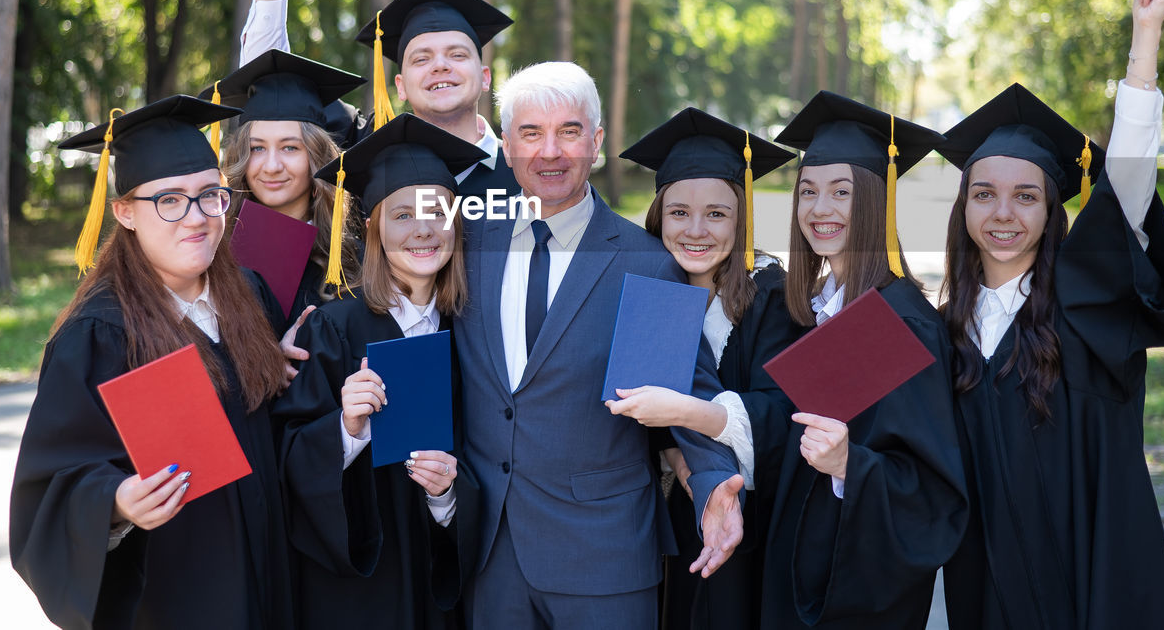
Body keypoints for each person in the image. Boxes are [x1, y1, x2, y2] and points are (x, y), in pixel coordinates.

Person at [936, 0, 1164, 630]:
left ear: (1053, 211)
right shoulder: (943, 332)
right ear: (963, 207)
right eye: (983, 194)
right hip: (983, 589)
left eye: (1027, 197)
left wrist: (1146, 38)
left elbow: (1128, 191)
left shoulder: (1085, 309)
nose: (1003, 214)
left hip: (1087, 585)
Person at [453, 61, 745, 629]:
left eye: (569, 131)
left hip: (603, 555)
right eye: (531, 133)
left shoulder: (646, 261)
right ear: (506, 145)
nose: (550, 152)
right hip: (492, 550)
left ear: (598, 142)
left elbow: (684, 390)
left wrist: (712, 484)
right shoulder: (466, 245)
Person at [9, 95, 294, 629]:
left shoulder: (248, 296)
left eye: (211, 196)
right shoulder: (100, 333)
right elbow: (49, 484)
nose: (197, 217)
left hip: (271, 583)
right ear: (124, 213)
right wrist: (115, 504)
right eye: (169, 200)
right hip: (176, 599)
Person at [270, 113, 487, 629]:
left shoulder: (473, 332)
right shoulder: (334, 328)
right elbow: (286, 460)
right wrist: (345, 429)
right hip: (356, 593)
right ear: (372, 229)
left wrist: (447, 497)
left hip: (440, 586)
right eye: (402, 215)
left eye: (438, 211)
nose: (423, 230)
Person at [761, 91, 967, 629]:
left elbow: (932, 493)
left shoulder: (902, 324)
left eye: (841, 192)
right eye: (807, 192)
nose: (819, 209)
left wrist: (850, 465)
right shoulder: (812, 306)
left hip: (857, 590)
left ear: (878, 199)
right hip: (800, 562)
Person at [613, 107, 804, 629]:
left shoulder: (774, 295)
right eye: (679, 213)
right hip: (679, 515)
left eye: (717, 214)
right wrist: (691, 474)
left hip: (754, 520)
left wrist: (689, 412)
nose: (696, 230)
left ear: (740, 219)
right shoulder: (649, 296)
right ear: (657, 217)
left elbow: (783, 413)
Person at [244, 0, 519, 198]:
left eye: (457, 54)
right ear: (400, 86)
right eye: (421, 59)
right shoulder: (369, 151)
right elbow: (273, 83)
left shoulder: (525, 174)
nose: (440, 65)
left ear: (486, 77)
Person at [204, 49, 367, 328]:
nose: (271, 166)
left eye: (289, 147)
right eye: (257, 148)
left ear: (316, 158)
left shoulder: (353, 260)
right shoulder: (212, 252)